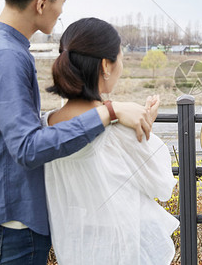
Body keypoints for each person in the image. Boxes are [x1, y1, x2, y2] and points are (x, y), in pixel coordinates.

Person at [0, 0, 154, 265]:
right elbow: (27, 147)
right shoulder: (7, 56)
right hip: (13, 221)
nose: (61, 13)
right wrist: (109, 113)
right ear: (42, 4)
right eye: (61, 2)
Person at [43, 17, 178, 264]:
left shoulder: (46, 123)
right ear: (106, 65)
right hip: (118, 247)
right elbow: (161, 185)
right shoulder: (114, 127)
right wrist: (144, 128)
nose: (122, 65)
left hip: (74, 246)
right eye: (121, 57)